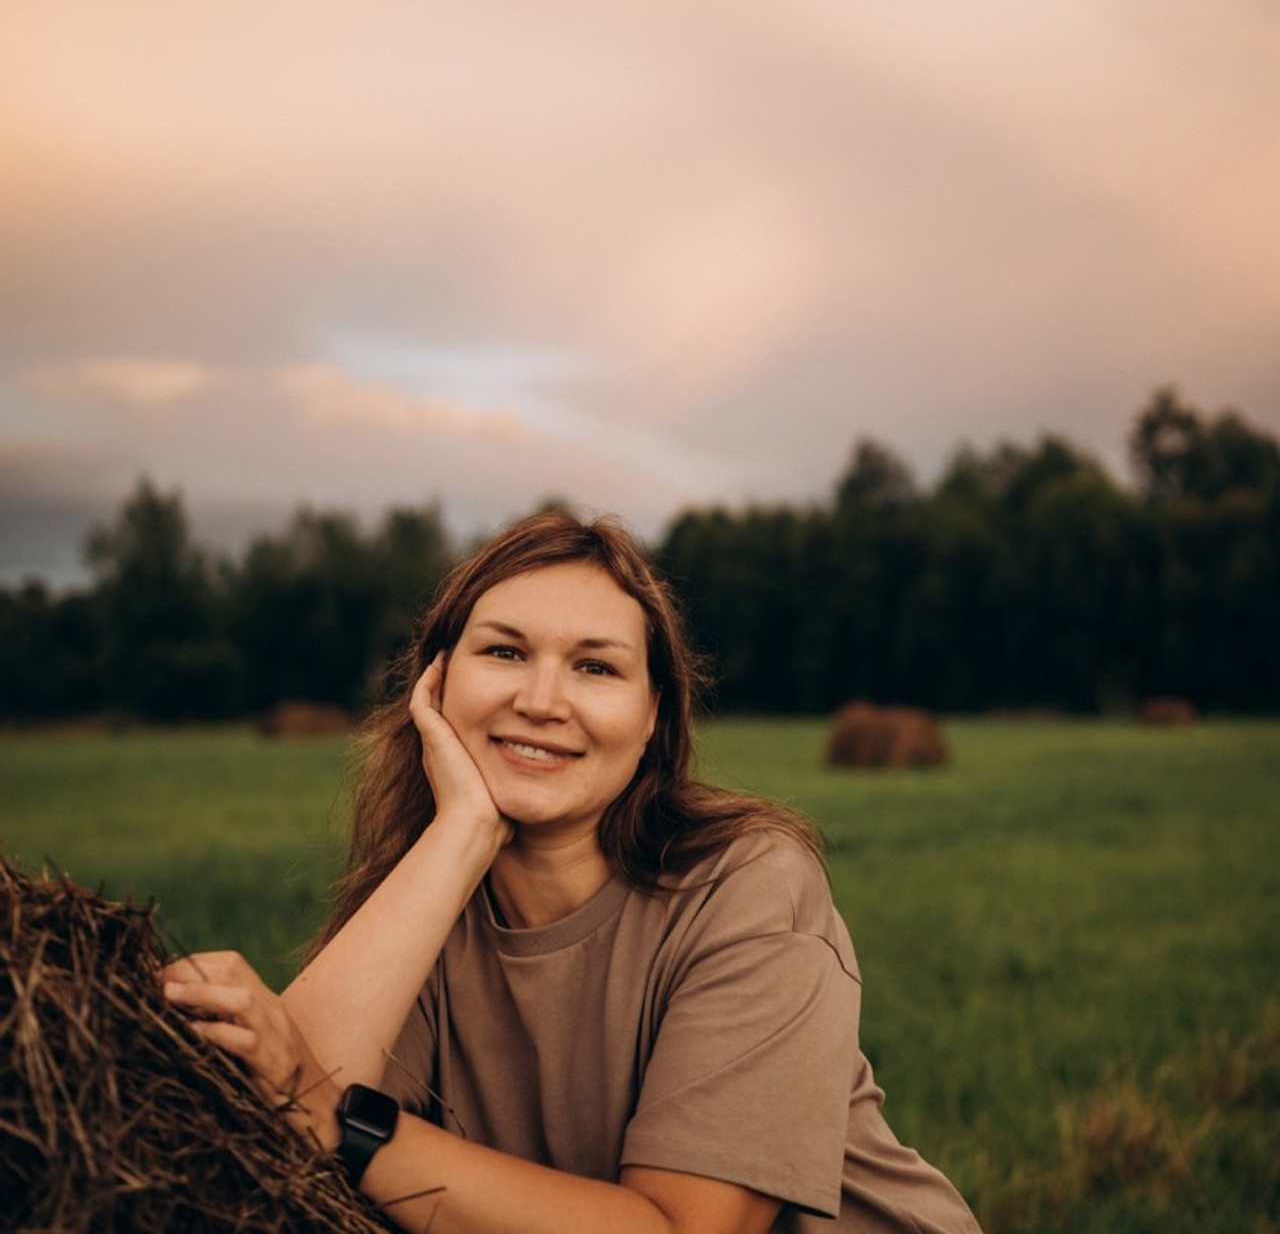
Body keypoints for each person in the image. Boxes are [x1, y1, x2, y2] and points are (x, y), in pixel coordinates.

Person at [162, 510, 983, 1234]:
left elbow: (685, 1232)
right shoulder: (423, 905)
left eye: (596, 667)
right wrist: (463, 832)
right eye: (505, 652)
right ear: (436, 685)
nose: (543, 700)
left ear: (653, 713)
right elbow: (273, 1122)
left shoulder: (749, 885)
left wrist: (352, 1128)